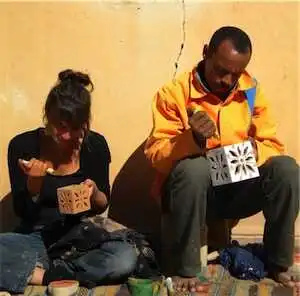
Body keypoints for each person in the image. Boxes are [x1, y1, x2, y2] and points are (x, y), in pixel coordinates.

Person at [144, 26, 299, 292]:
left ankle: (279, 262)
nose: (227, 81)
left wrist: (255, 150)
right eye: (220, 71)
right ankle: (185, 268)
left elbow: (273, 144)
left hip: (235, 190)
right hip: (190, 196)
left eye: (235, 74)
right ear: (206, 53)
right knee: (194, 169)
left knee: (287, 170)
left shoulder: (251, 92)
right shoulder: (174, 94)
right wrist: (191, 140)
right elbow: (156, 155)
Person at [0, 70, 137, 293]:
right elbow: (22, 211)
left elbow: (103, 203)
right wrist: (33, 185)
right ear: (48, 115)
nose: (66, 136)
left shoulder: (95, 146)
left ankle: (38, 273)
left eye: (75, 128)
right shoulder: (22, 146)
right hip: (37, 237)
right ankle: (53, 275)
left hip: (81, 238)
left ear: (85, 123)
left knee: (124, 258)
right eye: (61, 126)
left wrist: (93, 194)